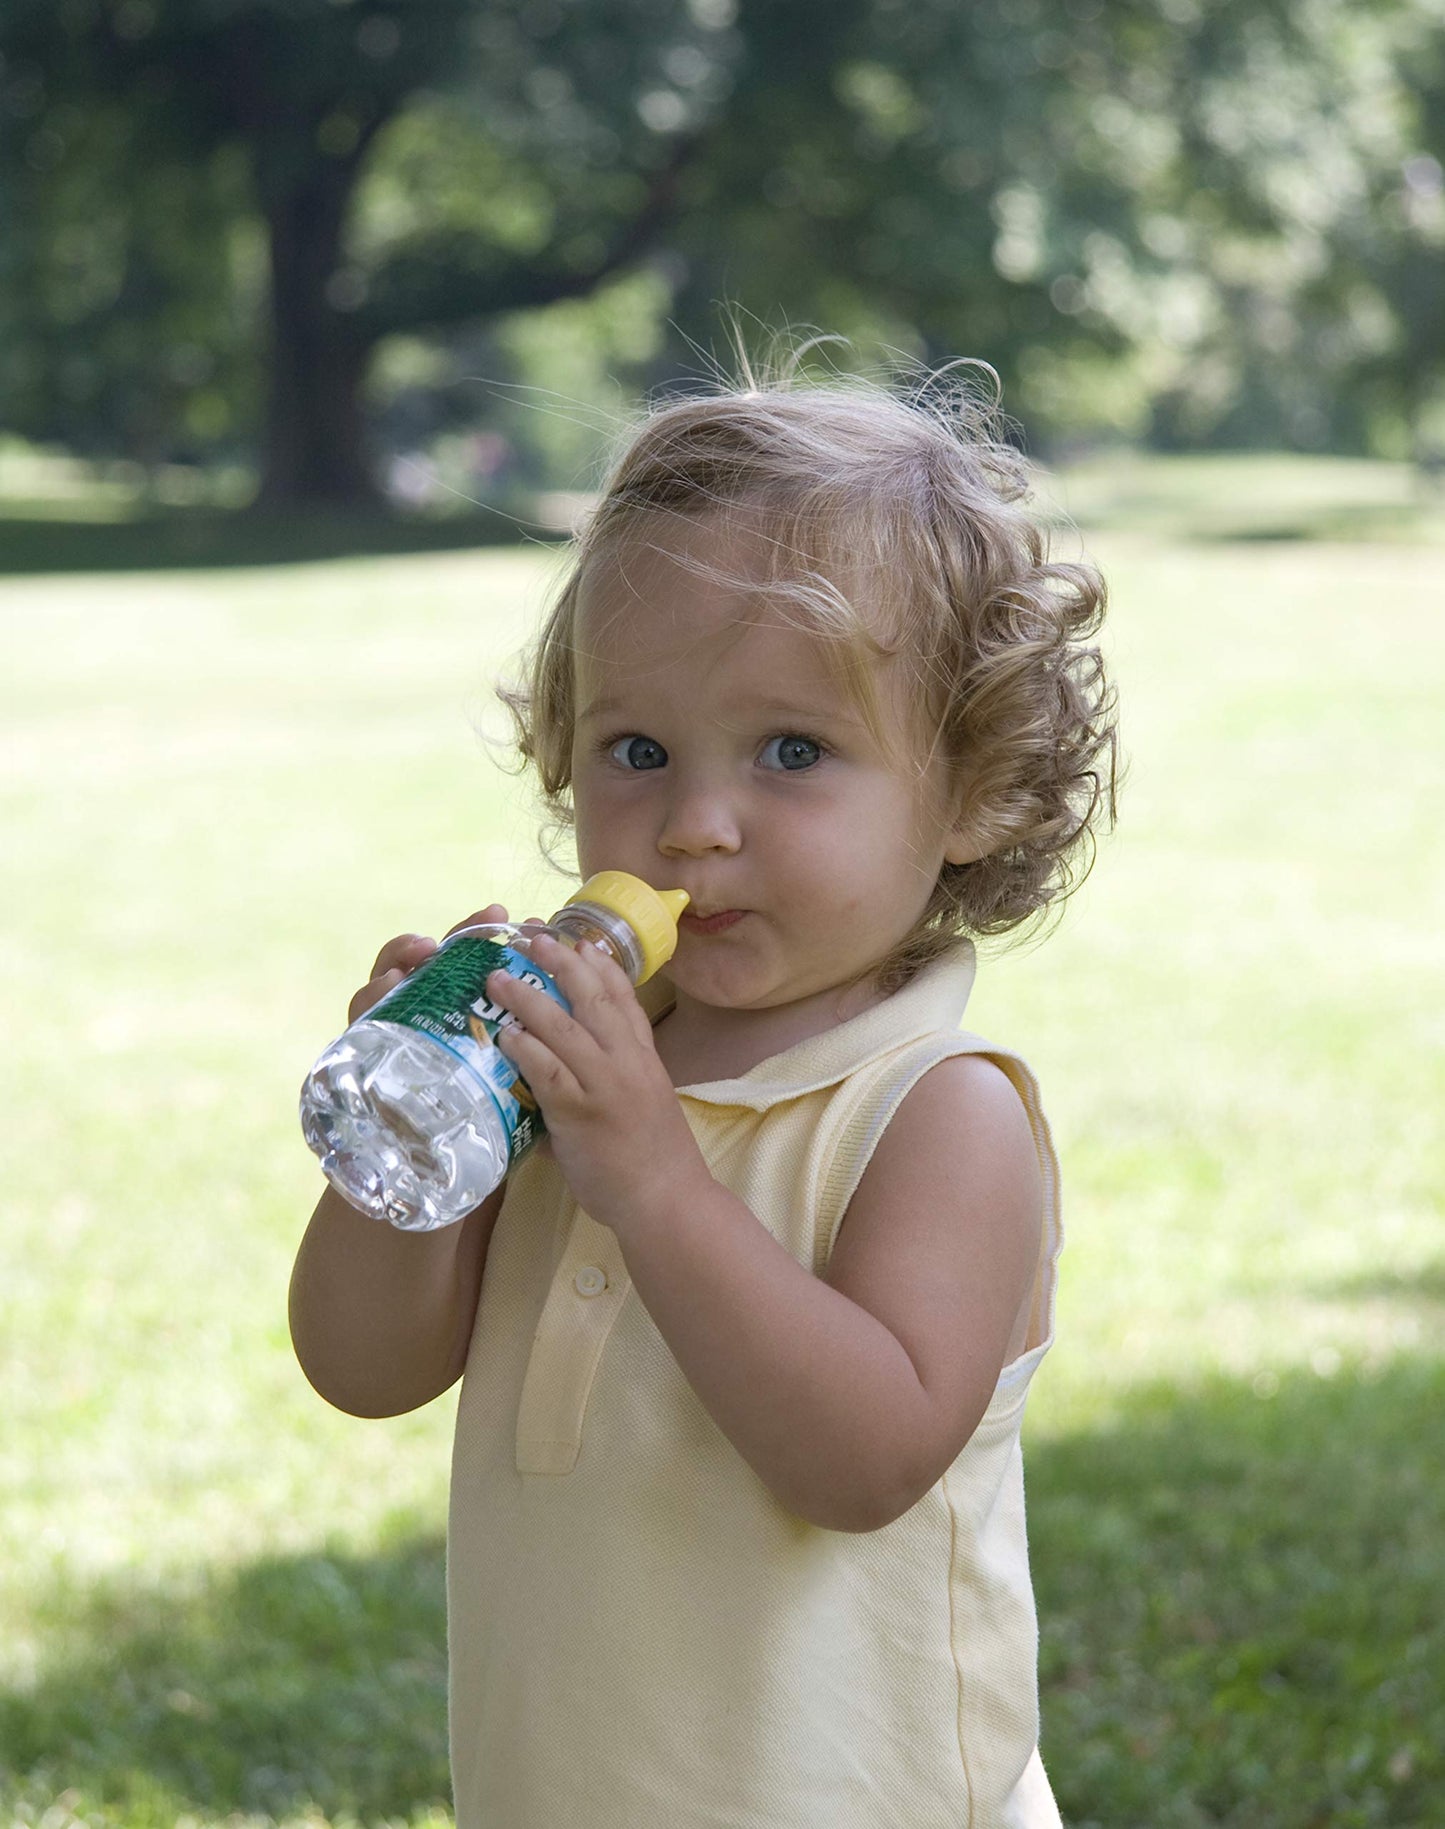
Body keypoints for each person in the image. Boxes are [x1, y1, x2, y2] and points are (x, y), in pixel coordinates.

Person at [289, 360, 1117, 1828]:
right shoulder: (571, 1062)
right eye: (636, 750)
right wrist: (414, 1130)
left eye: (792, 752)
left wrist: (655, 1179)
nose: (694, 823)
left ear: (975, 788)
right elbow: (362, 1366)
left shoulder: (937, 1112)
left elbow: (862, 1456)